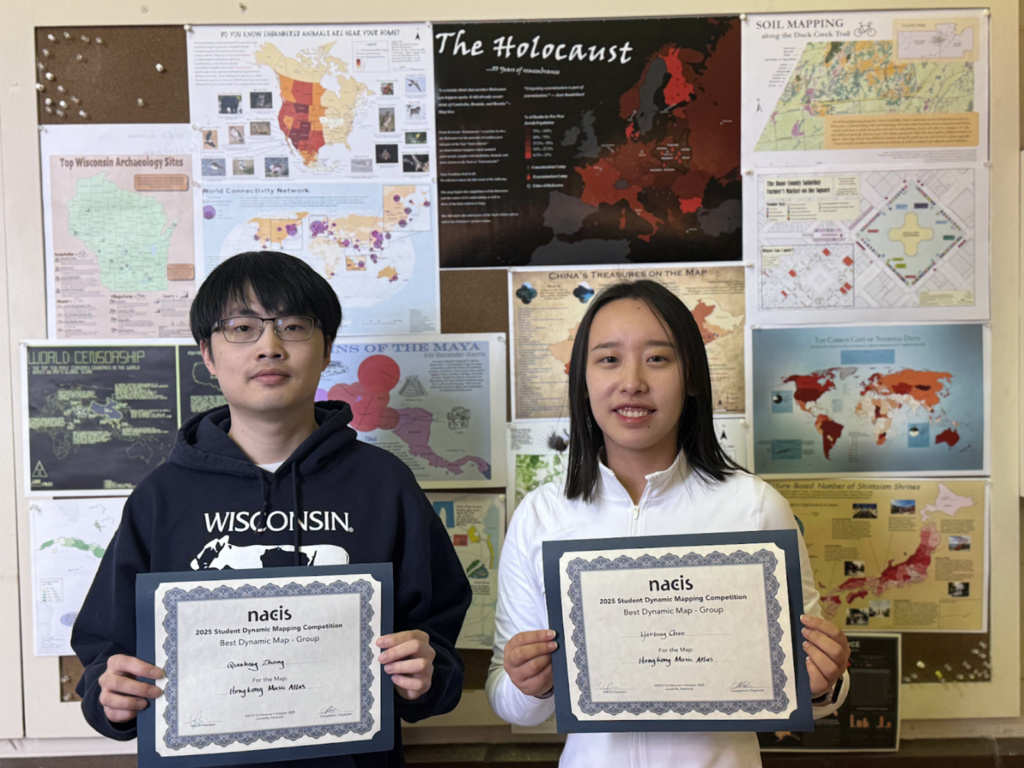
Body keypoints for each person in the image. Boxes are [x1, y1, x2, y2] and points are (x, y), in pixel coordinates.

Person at [72, 251, 472, 767]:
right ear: (208, 355)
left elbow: (437, 644)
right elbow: (105, 653)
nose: (270, 346)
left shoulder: (384, 483)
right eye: (242, 327)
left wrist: (426, 674)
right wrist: (113, 699)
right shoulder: (161, 496)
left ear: (327, 350)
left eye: (294, 326)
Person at [487, 280, 850, 767]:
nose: (632, 381)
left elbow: (811, 684)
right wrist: (525, 684)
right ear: (584, 379)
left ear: (692, 377)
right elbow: (509, 702)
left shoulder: (755, 507)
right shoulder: (541, 516)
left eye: (658, 358)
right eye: (608, 359)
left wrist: (827, 682)